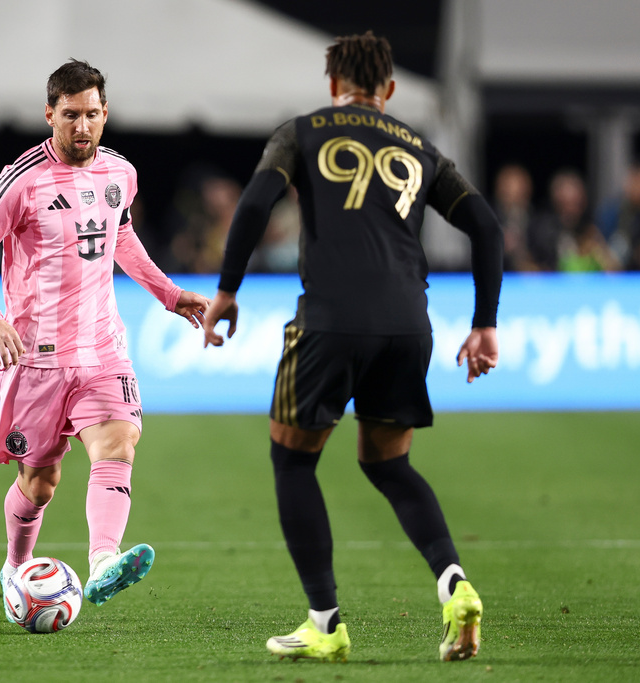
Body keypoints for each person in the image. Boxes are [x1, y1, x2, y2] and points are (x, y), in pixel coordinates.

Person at [202, 31, 503, 663]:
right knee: (389, 465)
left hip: (331, 322)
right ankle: (456, 586)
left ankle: (326, 622)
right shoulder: (420, 148)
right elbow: (485, 226)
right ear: (389, 90)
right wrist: (484, 323)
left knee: (292, 462)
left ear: (334, 85)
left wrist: (228, 289)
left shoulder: (303, 130)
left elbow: (257, 201)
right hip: (407, 325)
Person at [0, 60, 209, 619]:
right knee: (40, 482)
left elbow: (121, 236)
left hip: (101, 348)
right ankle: (14, 568)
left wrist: (168, 293)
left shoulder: (121, 175)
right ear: (50, 115)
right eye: (70, 116)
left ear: (105, 113)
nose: (82, 127)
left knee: (118, 444)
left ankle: (102, 564)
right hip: (35, 357)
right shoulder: (20, 181)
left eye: (92, 115)